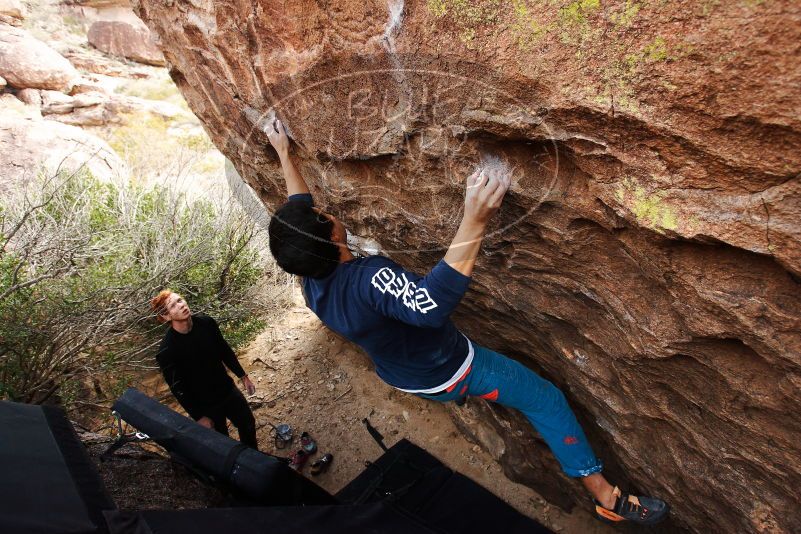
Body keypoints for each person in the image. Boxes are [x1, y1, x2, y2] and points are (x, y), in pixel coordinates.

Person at [264, 118, 669, 525]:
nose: (326, 211)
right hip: (450, 368)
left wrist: (284, 152)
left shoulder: (311, 280)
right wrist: (474, 219)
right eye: (323, 215)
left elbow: (300, 211)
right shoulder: (368, 280)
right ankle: (605, 497)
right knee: (546, 399)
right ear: (332, 239)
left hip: (404, 372)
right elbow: (429, 306)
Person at [151, 290, 259, 450]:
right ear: (166, 316)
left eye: (180, 300)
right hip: (206, 405)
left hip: (227, 390)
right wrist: (199, 417)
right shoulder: (167, 350)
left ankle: (255, 461)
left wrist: (243, 376)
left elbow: (224, 350)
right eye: (173, 305)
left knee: (248, 424)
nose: (181, 305)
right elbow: (177, 388)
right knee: (222, 444)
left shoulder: (206, 323)